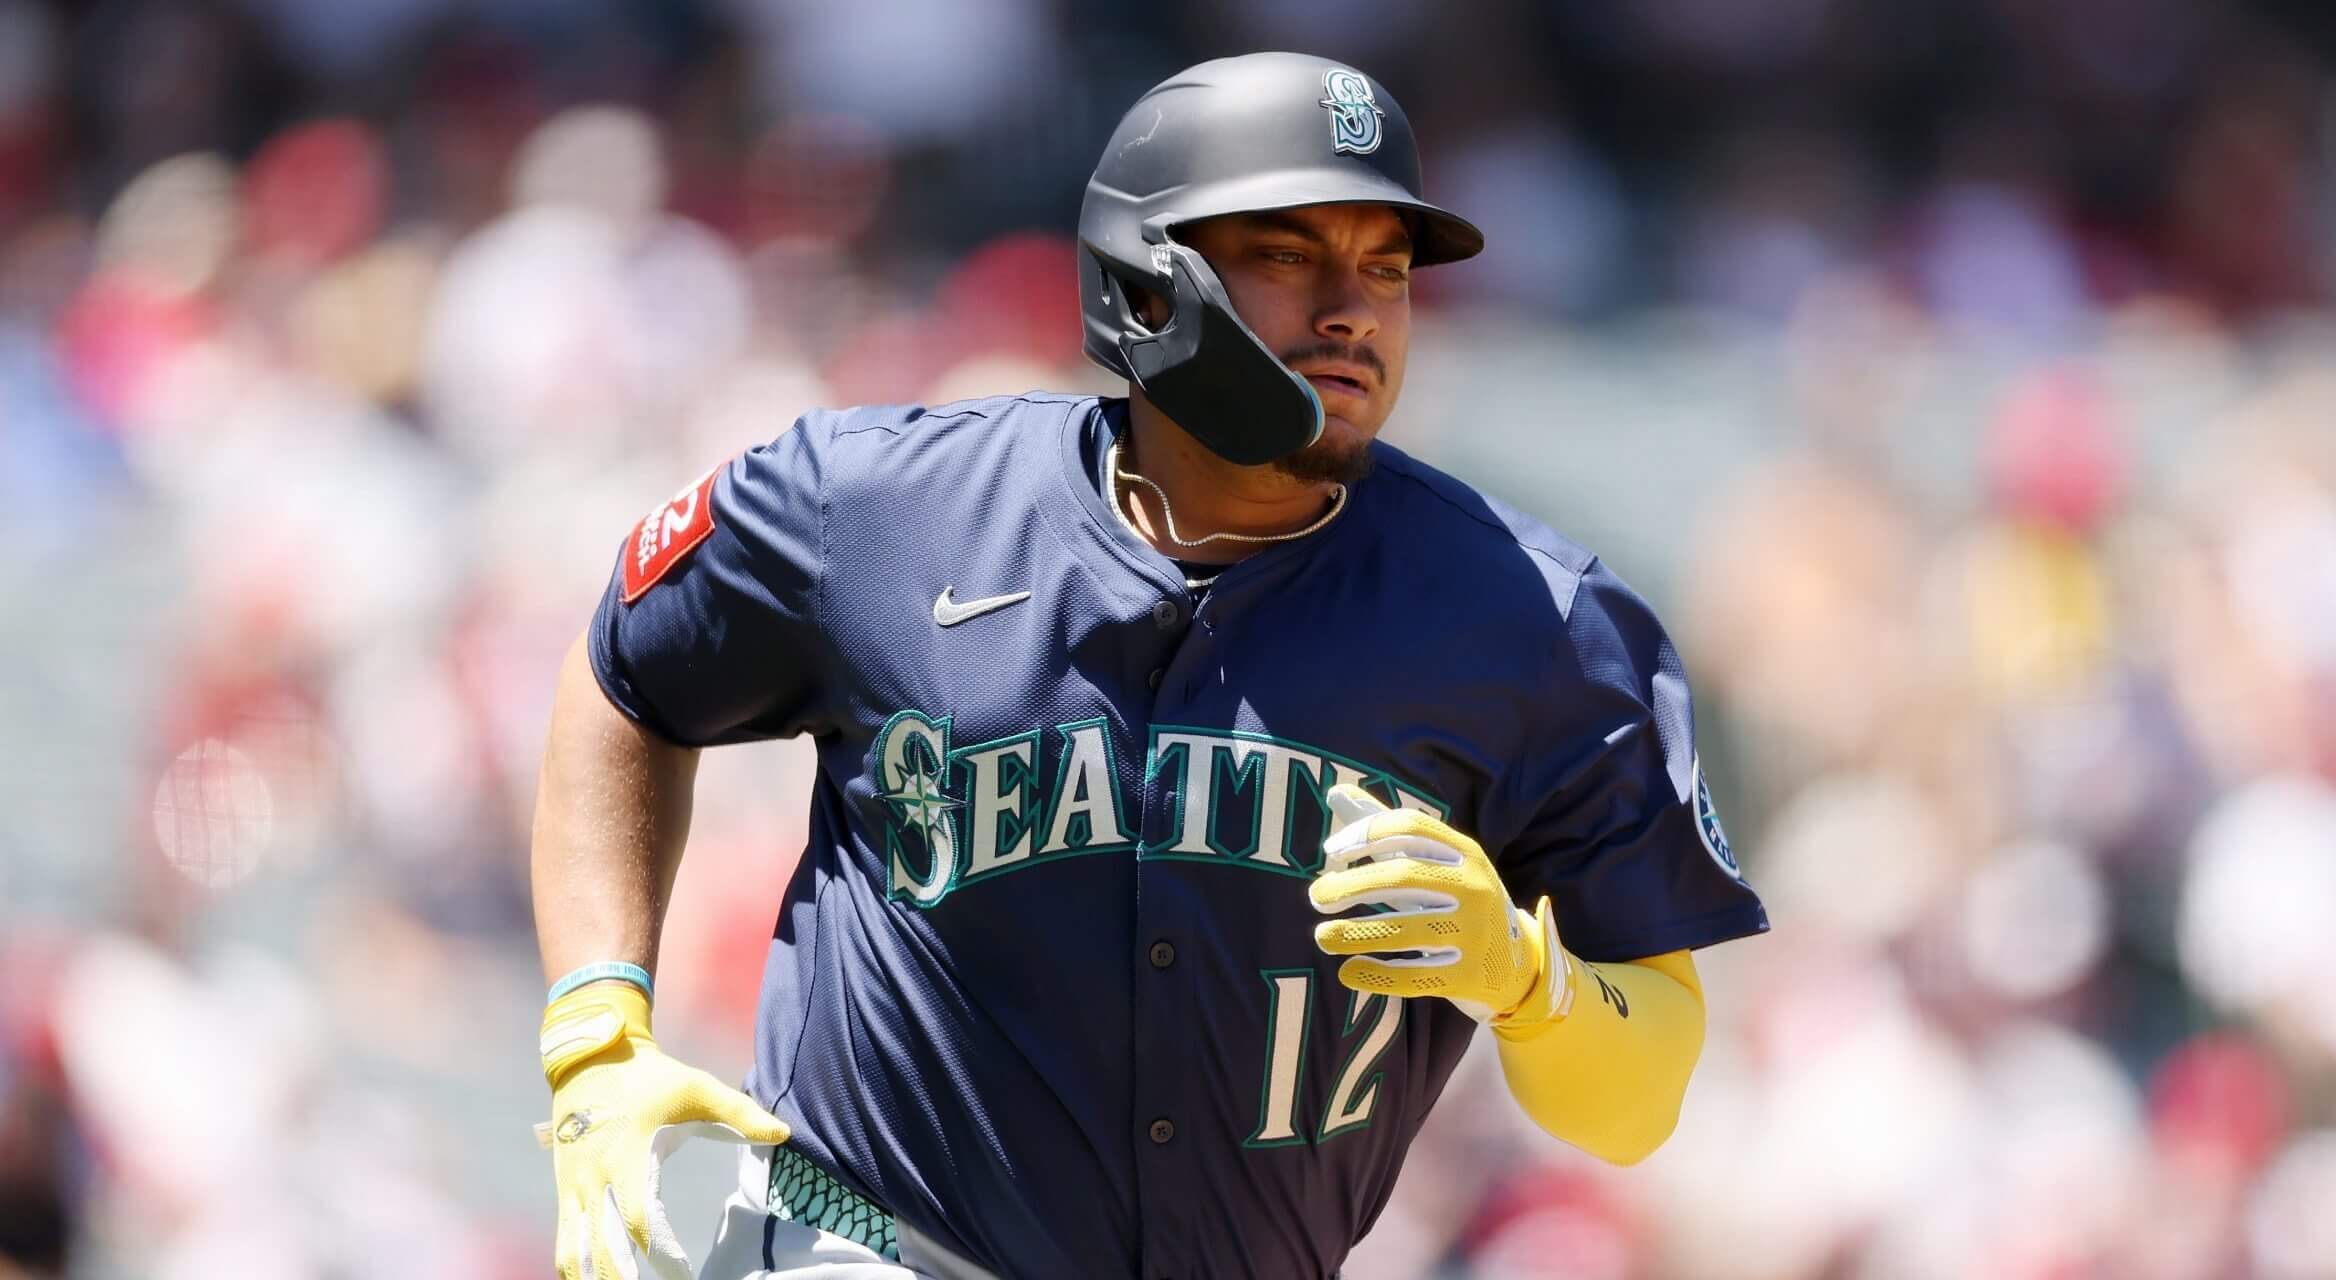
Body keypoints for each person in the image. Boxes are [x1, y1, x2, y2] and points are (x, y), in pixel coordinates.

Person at [529, 51, 1768, 1280]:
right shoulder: (877, 507)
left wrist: (1526, 974)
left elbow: (1639, 1100)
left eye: (1385, 267)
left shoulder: (1537, 618)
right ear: (1147, 283)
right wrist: (597, 1024)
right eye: (1289, 255)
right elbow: (629, 677)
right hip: (857, 1244)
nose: (1353, 308)